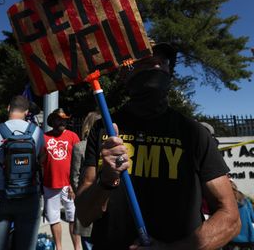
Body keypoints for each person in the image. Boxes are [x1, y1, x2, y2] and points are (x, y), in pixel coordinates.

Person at [76, 41, 241, 249]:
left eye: (162, 63)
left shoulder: (194, 133)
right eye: (146, 61)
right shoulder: (105, 130)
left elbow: (231, 217)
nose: (156, 67)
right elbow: (84, 215)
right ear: (125, 74)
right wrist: (107, 180)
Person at [0, 95, 44, 250]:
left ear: (8, 108)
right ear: (26, 111)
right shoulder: (38, 132)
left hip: (1, 195)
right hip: (29, 195)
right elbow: (41, 159)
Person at [42, 108, 81, 250]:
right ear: (52, 121)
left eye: (64, 119)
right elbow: (40, 161)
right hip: (50, 184)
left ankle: (77, 247)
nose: (62, 122)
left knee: (72, 217)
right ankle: (59, 247)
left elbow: (79, 163)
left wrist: (74, 184)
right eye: (59, 119)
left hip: (69, 185)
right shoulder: (44, 137)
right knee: (53, 218)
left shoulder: (73, 136)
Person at [71, 111, 101, 250]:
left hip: (87, 201)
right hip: (104, 202)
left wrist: (82, 196)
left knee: (88, 243)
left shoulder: (79, 147)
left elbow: (75, 177)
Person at [223, 180, 254, 248]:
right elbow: (253, 217)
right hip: (248, 237)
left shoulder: (224, 203)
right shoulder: (245, 200)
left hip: (230, 239)